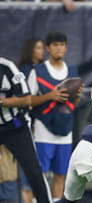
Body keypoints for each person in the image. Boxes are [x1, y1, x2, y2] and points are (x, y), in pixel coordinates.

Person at [27, 31, 83, 202]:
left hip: (65, 131)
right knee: (40, 175)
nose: (59, 48)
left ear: (66, 48)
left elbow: (74, 105)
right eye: (55, 44)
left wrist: (78, 96)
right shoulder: (37, 71)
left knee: (61, 175)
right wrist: (49, 96)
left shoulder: (73, 72)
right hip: (44, 131)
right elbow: (27, 101)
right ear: (48, 48)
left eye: (62, 44)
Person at [0, 57, 52, 203]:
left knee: (34, 172)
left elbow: (27, 98)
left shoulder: (7, 66)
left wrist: (2, 102)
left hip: (14, 126)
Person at [17, 37, 45, 203]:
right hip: (27, 123)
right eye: (38, 47)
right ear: (31, 50)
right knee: (28, 169)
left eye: (42, 47)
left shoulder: (44, 70)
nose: (42, 51)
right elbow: (26, 100)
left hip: (42, 124)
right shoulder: (24, 71)